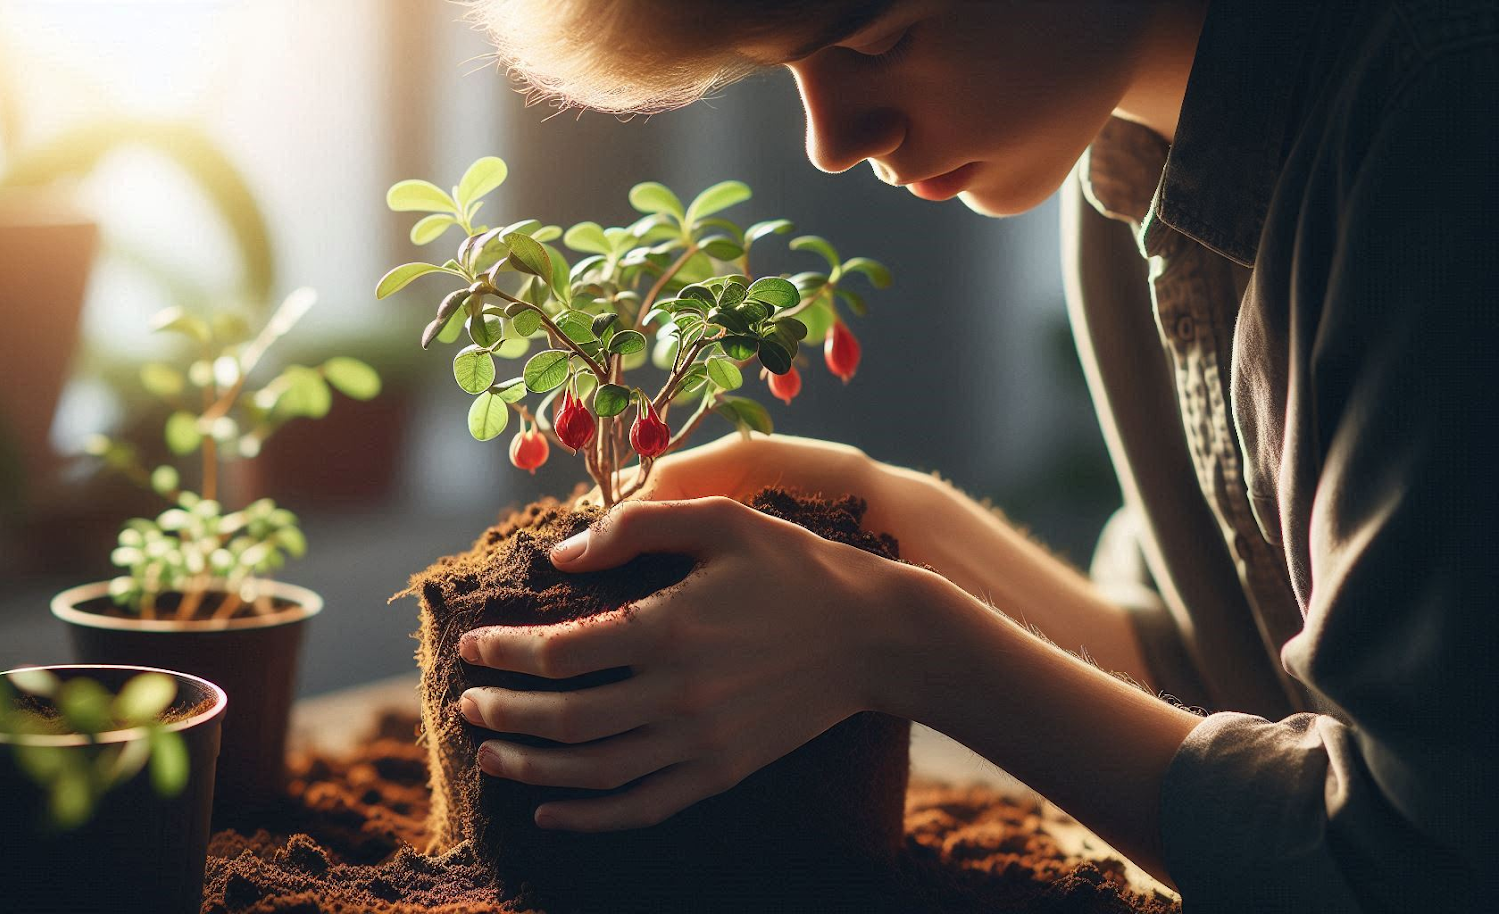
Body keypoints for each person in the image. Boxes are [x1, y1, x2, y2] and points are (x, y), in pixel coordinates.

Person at [449, 1, 1497, 908]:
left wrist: (899, 638)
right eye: (786, 64)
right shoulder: (1123, 168)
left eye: (876, 33)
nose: (831, 137)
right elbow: (1228, 679)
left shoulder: (1446, 117)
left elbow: (1413, 866)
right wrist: (897, 526)